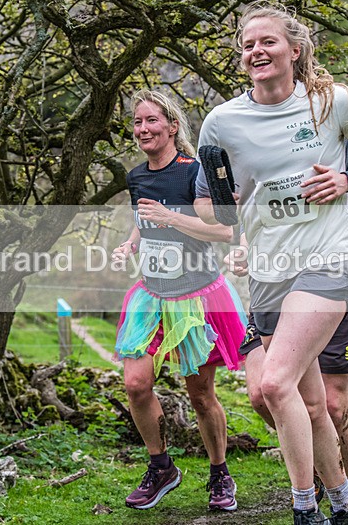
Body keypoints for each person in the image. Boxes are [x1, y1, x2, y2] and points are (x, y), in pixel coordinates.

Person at [194, 1, 348, 524]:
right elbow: (207, 202)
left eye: (267, 42)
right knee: (308, 406)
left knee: (272, 383)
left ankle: (305, 508)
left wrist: (347, 181)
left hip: (327, 259)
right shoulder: (221, 122)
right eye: (247, 45)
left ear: (295, 49)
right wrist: (229, 214)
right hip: (268, 270)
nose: (256, 51)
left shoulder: (331, 103)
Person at [112, 90, 247, 511]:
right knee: (136, 384)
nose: (143, 129)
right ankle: (161, 466)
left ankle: (220, 473)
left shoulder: (194, 173)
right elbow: (143, 217)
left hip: (197, 296)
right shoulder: (135, 176)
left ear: (172, 126)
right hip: (151, 295)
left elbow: (227, 232)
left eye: (151, 121)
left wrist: (172, 218)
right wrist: (131, 244)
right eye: (137, 122)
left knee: (201, 394)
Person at [231, 142, 348, 494]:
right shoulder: (259, 136)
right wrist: (244, 246)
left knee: (333, 405)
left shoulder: (344, 142)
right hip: (272, 283)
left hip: (329, 280)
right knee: (263, 394)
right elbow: (249, 214)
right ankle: (323, 477)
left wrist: (325, 232)